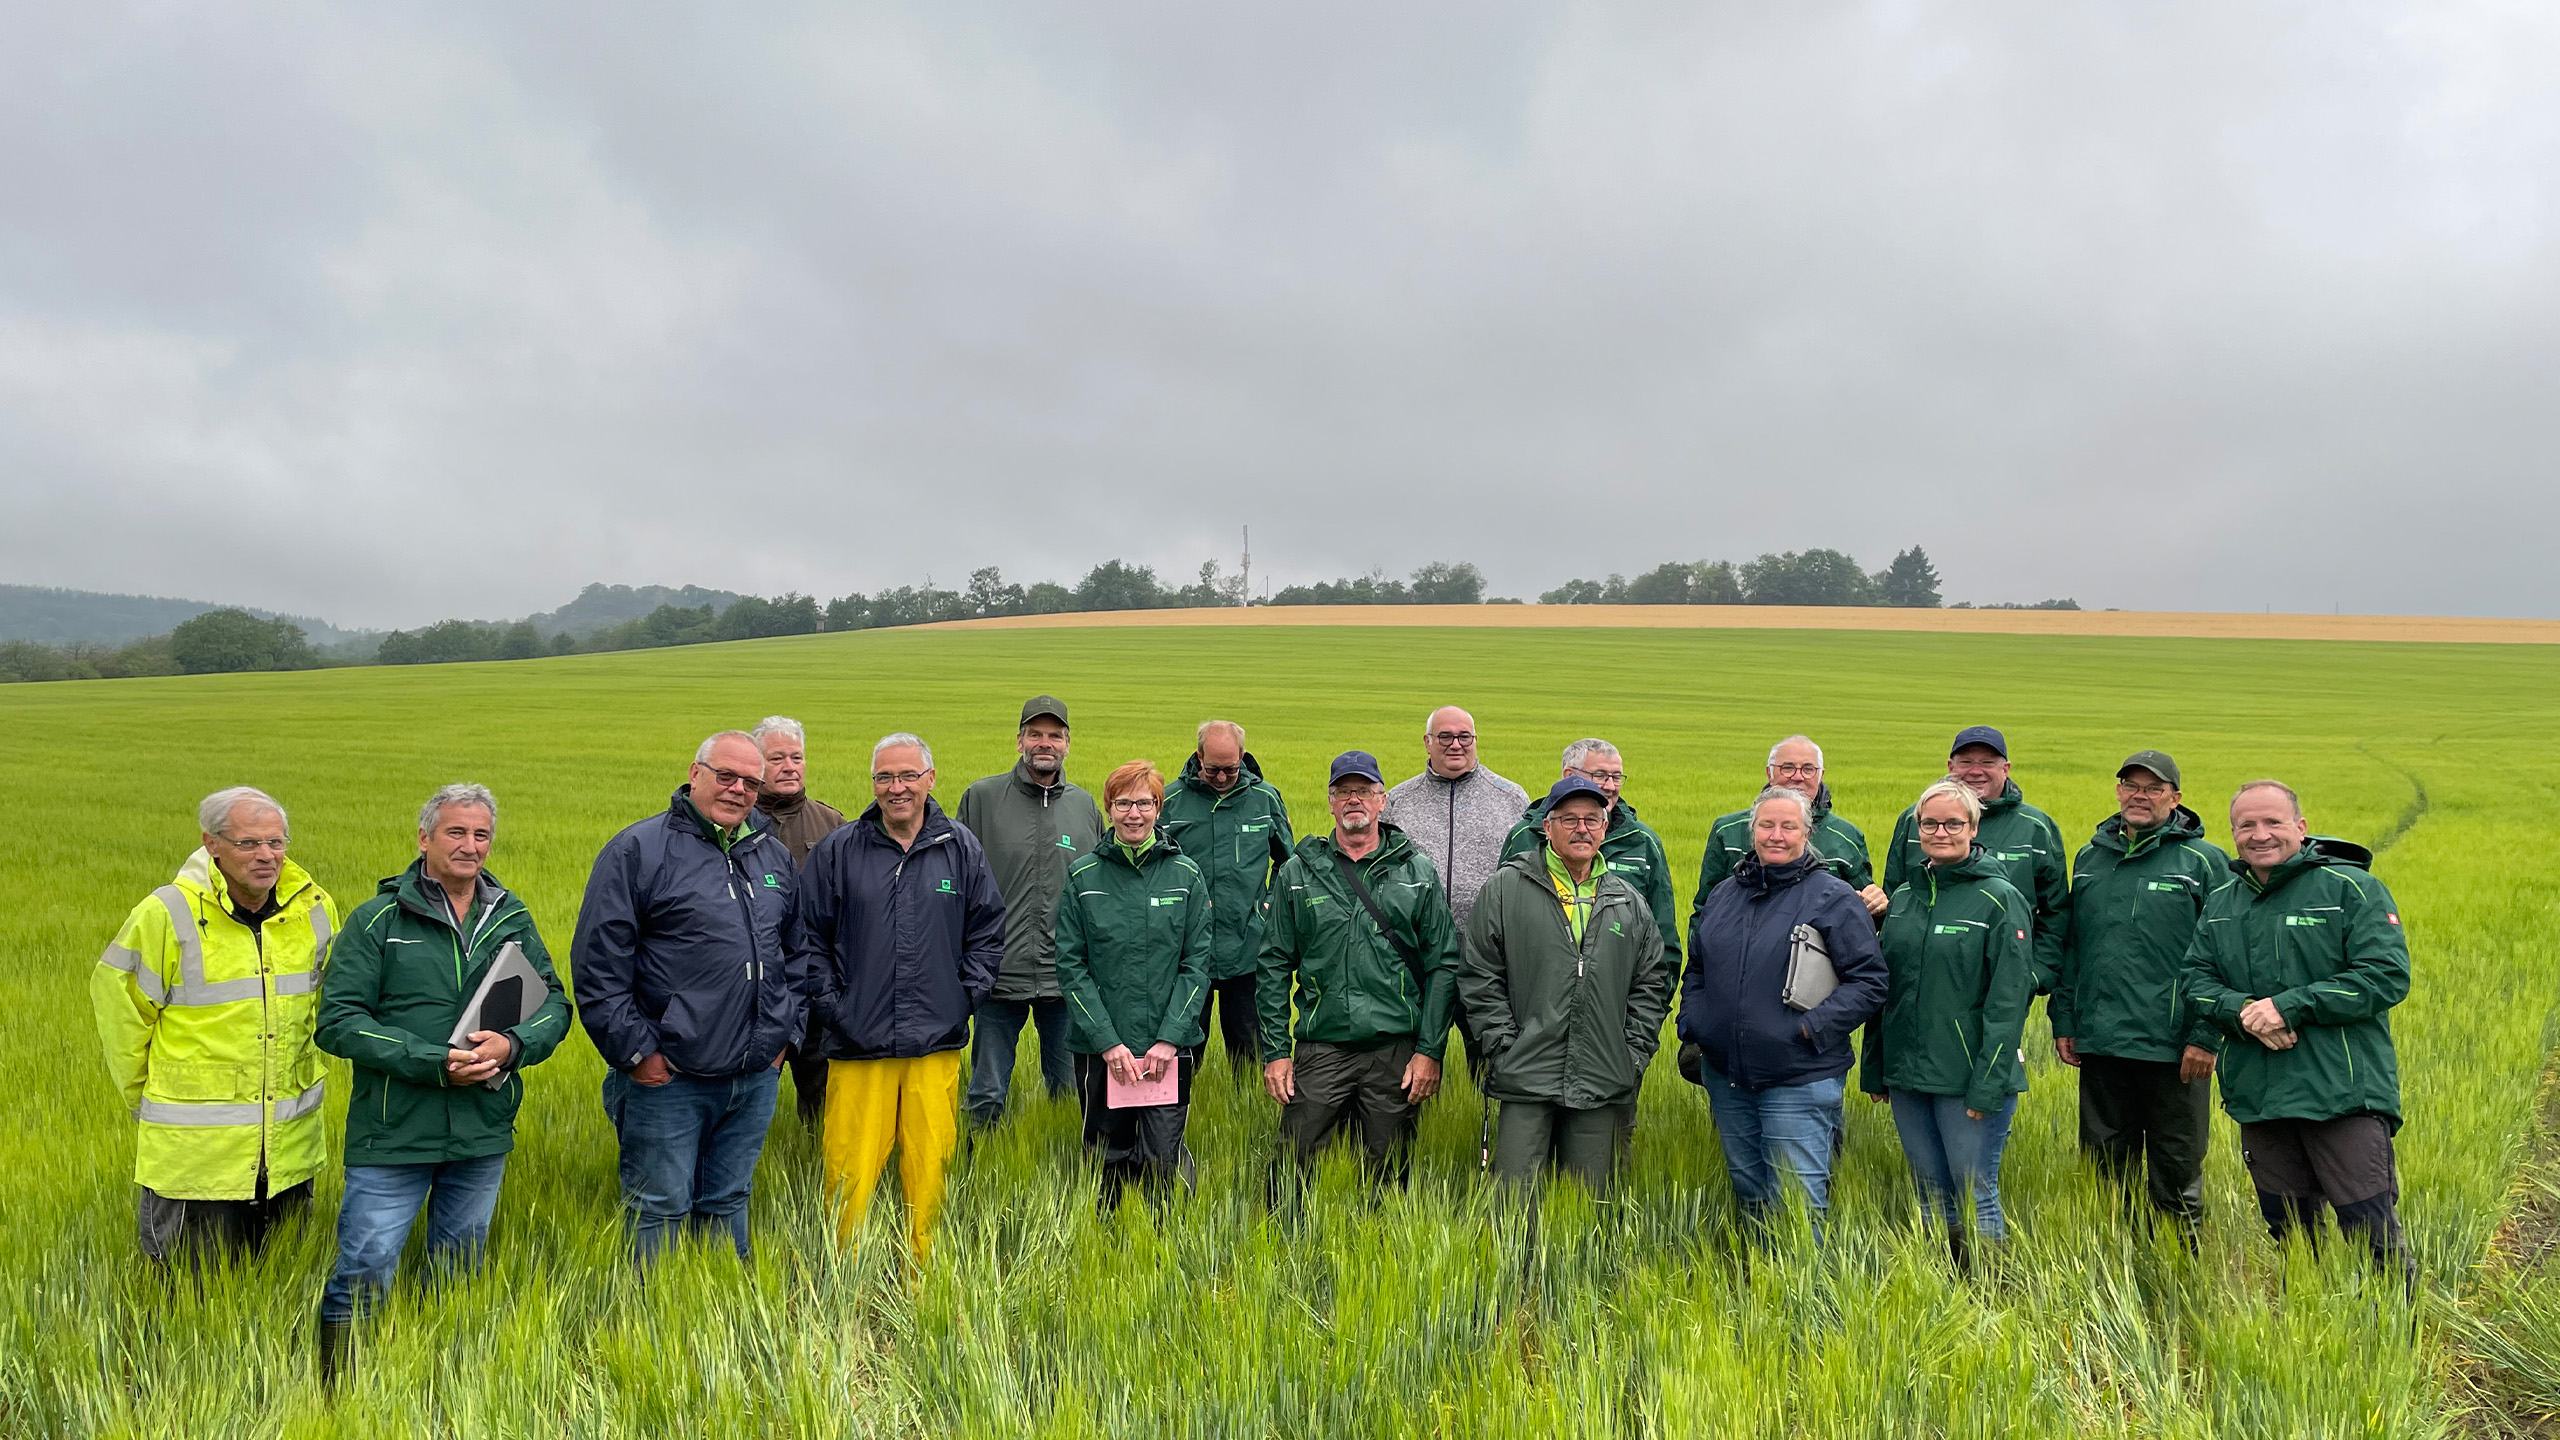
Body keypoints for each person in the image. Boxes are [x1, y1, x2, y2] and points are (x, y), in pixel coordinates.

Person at [312, 784, 572, 1384]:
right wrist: (433, 1060)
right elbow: (339, 1021)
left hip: (481, 1130)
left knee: (459, 1267)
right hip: (394, 1130)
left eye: (481, 834)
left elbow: (553, 1004)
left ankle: (442, 1380)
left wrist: (514, 1045)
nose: (471, 846)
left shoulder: (509, 914)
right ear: (424, 838)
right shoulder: (378, 919)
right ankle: (339, 1390)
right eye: (456, 832)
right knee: (366, 1265)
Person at [572, 731, 805, 1265]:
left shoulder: (769, 854)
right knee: (658, 1207)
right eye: (726, 776)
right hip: (669, 1079)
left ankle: (724, 1322)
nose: (738, 789)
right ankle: (651, 1329)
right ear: (695, 772)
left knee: (728, 1200)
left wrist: (784, 1038)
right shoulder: (638, 850)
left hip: (753, 1076)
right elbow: (599, 967)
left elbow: (798, 957)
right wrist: (637, 1053)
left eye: (751, 781)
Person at [95, 786, 340, 1267]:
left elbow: (333, 1008)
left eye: (277, 842)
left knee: (281, 1292)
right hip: (195, 1159)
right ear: (212, 844)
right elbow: (122, 1016)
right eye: (249, 843)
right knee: (188, 1300)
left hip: (289, 1151)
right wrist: (148, 1100)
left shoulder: (314, 909)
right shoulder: (166, 914)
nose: (267, 855)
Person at [2182, 780, 2414, 1282]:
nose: (2260, 835)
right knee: (2292, 1240)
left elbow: (2386, 976)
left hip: (2342, 1095)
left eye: (2273, 822)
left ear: (2300, 828)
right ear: (2234, 833)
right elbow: (2195, 982)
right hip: (2261, 1098)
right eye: (2247, 825)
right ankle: (2313, 1346)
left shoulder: (2350, 889)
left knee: (2372, 1237)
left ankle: (2394, 1346)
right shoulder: (2223, 901)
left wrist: (2289, 1007)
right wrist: (2242, 1010)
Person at [797, 733, 1005, 1260]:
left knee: (930, 1171)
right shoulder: (840, 849)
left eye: (908, 775)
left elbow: (987, 933)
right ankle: (847, 1281)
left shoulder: (960, 848)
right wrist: (835, 1009)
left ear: (930, 780)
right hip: (857, 1045)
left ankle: (924, 1279)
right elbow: (807, 939)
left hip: (935, 1046)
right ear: (873, 784)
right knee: (849, 1176)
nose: (897, 788)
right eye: (885, 777)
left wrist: (961, 1000)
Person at [1679, 787, 1888, 1236]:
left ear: (1807, 833)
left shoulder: (1832, 897)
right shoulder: (1724, 895)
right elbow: (1697, 967)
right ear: (1751, 831)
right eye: (1766, 825)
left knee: (1798, 1203)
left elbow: (1870, 981)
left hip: (1799, 1077)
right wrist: (1694, 1024)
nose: (1776, 835)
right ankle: (1762, 1296)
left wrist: (1809, 1030)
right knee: (1751, 1195)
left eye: (1788, 826)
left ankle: (1804, 1298)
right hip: (1728, 1076)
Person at [1459, 776, 1671, 1197]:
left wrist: (1629, 1055)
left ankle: (1577, 1268)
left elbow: (1651, 983)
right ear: (1547, 827)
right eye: (1570, 819)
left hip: (1603, 1074)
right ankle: (1517, 1267)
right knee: (1514, 1203)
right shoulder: (1505, 889)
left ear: (1605, 829)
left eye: (1593, 820)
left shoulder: (1627, 901)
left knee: (1587, 1202)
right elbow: (1479, 973)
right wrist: (1504, 1047)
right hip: (1525, 1072)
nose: (1582, 829)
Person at [1257, 751, 1458, 1191]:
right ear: (1330, 801)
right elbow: (1272, 964)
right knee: (1292, 1164)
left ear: (1382, 801)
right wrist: (1276, 1051)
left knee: (1390, 1173)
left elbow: (1443, 964)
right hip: (1322, 1044)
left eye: (1364, 791)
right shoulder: (1298, 873)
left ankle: (1381, 1251)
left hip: (1395, 1050)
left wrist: (1430, 1050)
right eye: (1344, 791)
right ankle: (1284, 1248)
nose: (1354, 800)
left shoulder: (1415, 871)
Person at [2050, 750, 2231, 1234]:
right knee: (2106, 1172)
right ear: (2118, 791)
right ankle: (2118, 1267)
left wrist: (2207, 1035)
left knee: (2176, 1170)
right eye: (2131, 786)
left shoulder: (2204, 862)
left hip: (2174, 1047)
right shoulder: (2092, 857)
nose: (2140, 796)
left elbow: (2229, 957)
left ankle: (2178, 1273)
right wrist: (2065, 1019)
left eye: (2153, 789)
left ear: (2175, 798)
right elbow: (2075, 945)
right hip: (2103, 1042)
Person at [1862, 779, 2037, 1269]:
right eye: (1929, 823)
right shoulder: (1903, 897)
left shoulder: (1999, 899)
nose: (1940, 831)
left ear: (1974, 827)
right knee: (1929, 1193)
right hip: (1908, 1075)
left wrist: (1989, 1083)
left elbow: (2009, 1003)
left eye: (1952, 823)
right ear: (1917, 829)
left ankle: (1990, 1292)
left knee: (1974, 1194)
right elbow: (1884, 990)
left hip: (1968, 1080)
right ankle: (1942, 1287)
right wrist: (1876, 1067)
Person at [1054, 760, 1214, 1210]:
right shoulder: (1083, 877)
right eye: (1123, 803)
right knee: (1108, 1156)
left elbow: (1196, 963)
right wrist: (1107, 1043)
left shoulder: (1186, 876)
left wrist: (1168, 1040)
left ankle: (1164, 1243)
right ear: (1109, 810)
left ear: (1158, 808)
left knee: (1164, 1156)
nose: (1133, 814)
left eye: (1143, 803)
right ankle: (1108, 1244)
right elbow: (1071, 965)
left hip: (1167, 1049)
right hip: (1102, 1049)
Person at [959, 695, 1106, 1127]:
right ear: (1019, 740)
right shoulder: (982, 799)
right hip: (997, 973)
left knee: (1069, 1089)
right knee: (986, 1091)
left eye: (1055, 735)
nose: (1046, 743)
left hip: (1066, 976)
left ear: (1068, 744)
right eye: (1036, 734)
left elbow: (1100, 889)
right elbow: (956, 881)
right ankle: (977, 1167)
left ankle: (1064, 1165)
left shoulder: (1083, 806)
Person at [1385, 704, 1528, 1069]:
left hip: (1489, 961)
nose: (1456, 745)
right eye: (1445, 736)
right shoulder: (1398, 802)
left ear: (1476, 740)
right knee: (1407, 1063)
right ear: (1427, 742)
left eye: (1465, 736)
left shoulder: (1511, 799)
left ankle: (1479, 1125)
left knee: (1489, 1064)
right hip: (1415, 958)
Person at [1882, 726, 2070, 991]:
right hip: (1924, 980)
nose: (1975, 771)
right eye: (1966, 762)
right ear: (1950, 766)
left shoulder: (2035, 828)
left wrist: (2034, 977)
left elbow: (2056, 913)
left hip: (2003, 981)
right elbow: (1894, 898)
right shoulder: (1915, 820)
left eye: (1987, 762)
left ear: (2006, 768)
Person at [1157, 719, 1295, 1071]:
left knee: (1250, 1053)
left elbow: (1288, 863)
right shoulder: (1170, 800)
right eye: (1213, 769)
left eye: (1230, 770)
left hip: (1248, 947)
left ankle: (1248, 1119)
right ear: (1199, 755)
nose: (1220, 778)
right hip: (1186, 951)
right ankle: (1178, 1120)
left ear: (1243, 757)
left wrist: (1266, 908)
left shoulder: (1264, 798)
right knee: (1182, 1050)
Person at [1500, 738, 1681, 965]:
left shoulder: (1642, 842)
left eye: (1616, 777)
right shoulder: (1526, 835)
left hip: (1614, 993)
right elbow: (1498, 928)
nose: (1611, 786)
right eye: (1600, 776)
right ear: (1568, 775)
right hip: (1535, 991)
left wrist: (1650, 1000)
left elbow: (1663, 937)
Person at [753, 715, 849, 1129]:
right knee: (752, 1089)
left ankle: (816, 1164)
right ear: (756, 765)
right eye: (777, 758)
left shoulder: (832, 825)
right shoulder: (735, 823)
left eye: (796, 757)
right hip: (757, 984)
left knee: (822, 1087)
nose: (789, 766)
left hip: (816, 980)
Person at [1692, 736, 1885, 921]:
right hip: (1741, 949)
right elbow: (1705, 909)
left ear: (1820, 775)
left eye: (1808, 769)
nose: (1798, 776)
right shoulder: (1728, 831)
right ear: (1769, 772)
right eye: (1787, 768)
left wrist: (1877, 908)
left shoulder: (1846, 837)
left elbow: (1862, 913)